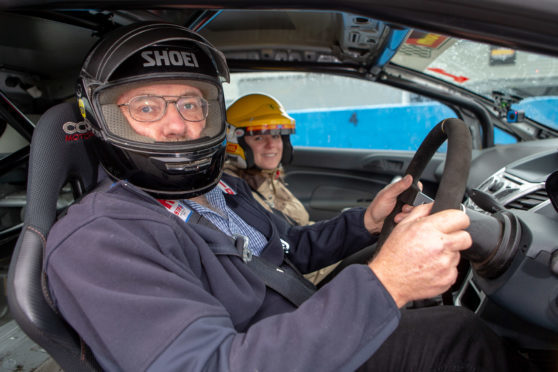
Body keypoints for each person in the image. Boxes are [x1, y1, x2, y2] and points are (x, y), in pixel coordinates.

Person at [43, 22, 534, 372]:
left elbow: (286, 251)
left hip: (297, 326)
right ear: (102, 118)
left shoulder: (218, 189)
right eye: (147, 106)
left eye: (191, 102)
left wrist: (365, 222)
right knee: (457, 335)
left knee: (385, 252)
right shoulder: (99, 240)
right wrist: (388, 284)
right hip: (274, 353)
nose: (177, 123)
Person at [224, 93, 310, 226]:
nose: (271, 145)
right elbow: (285, 227)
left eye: (275, 136)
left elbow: (301, 220)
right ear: (235, 141)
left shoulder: (265, 173)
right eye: (259, 137)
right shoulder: (231, 183)